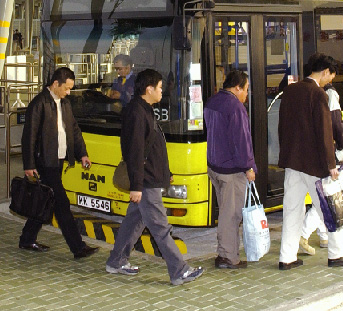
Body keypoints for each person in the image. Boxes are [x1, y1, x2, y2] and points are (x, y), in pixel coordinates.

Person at [106, 69, 204, 285]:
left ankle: (116, 260)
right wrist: (137, 185)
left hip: (150, 178)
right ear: (148, 89)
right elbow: (135, 152)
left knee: (134, 221)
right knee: (160, 227)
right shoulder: (136, 113)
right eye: (159, 87)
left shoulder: (145, 110)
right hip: (145, 181)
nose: (162, 91)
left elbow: (152, 146)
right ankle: (179, 271)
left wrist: (165, 174)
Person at [278, 53, 343, 270]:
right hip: (315, 164)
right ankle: (336, 254)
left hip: (292, 162)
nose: (330, 80)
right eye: (330, 76)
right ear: (324, 72)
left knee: (292, 210)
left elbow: (282, 126)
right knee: (330, 208)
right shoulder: (318, 94)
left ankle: (287, 257)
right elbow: (325, 132)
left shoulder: (290, 90)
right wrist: (331, 164)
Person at [20, 67, 100, 258]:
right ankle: (78, 248)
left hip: (59, 159)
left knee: (45, 201)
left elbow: (73, 129)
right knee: (61, 204)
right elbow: (29, 136)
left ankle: (27, 238)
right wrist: (29, 165)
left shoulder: (64, 104)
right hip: (45, 162)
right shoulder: (39, 103)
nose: (69, 92)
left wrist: (82, 154)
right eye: (67, 88)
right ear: (56, 84)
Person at [204, 70, 256, 269]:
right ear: (237, 88)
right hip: (231, 169)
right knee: (231, 214)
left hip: (214, 167)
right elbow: (241, 142)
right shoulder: (235, 107)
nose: (246, 95)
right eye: (246, 90)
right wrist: (249, 166)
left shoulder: (212, 101)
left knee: (225, 211)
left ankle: (224, 252)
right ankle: (228, 256)